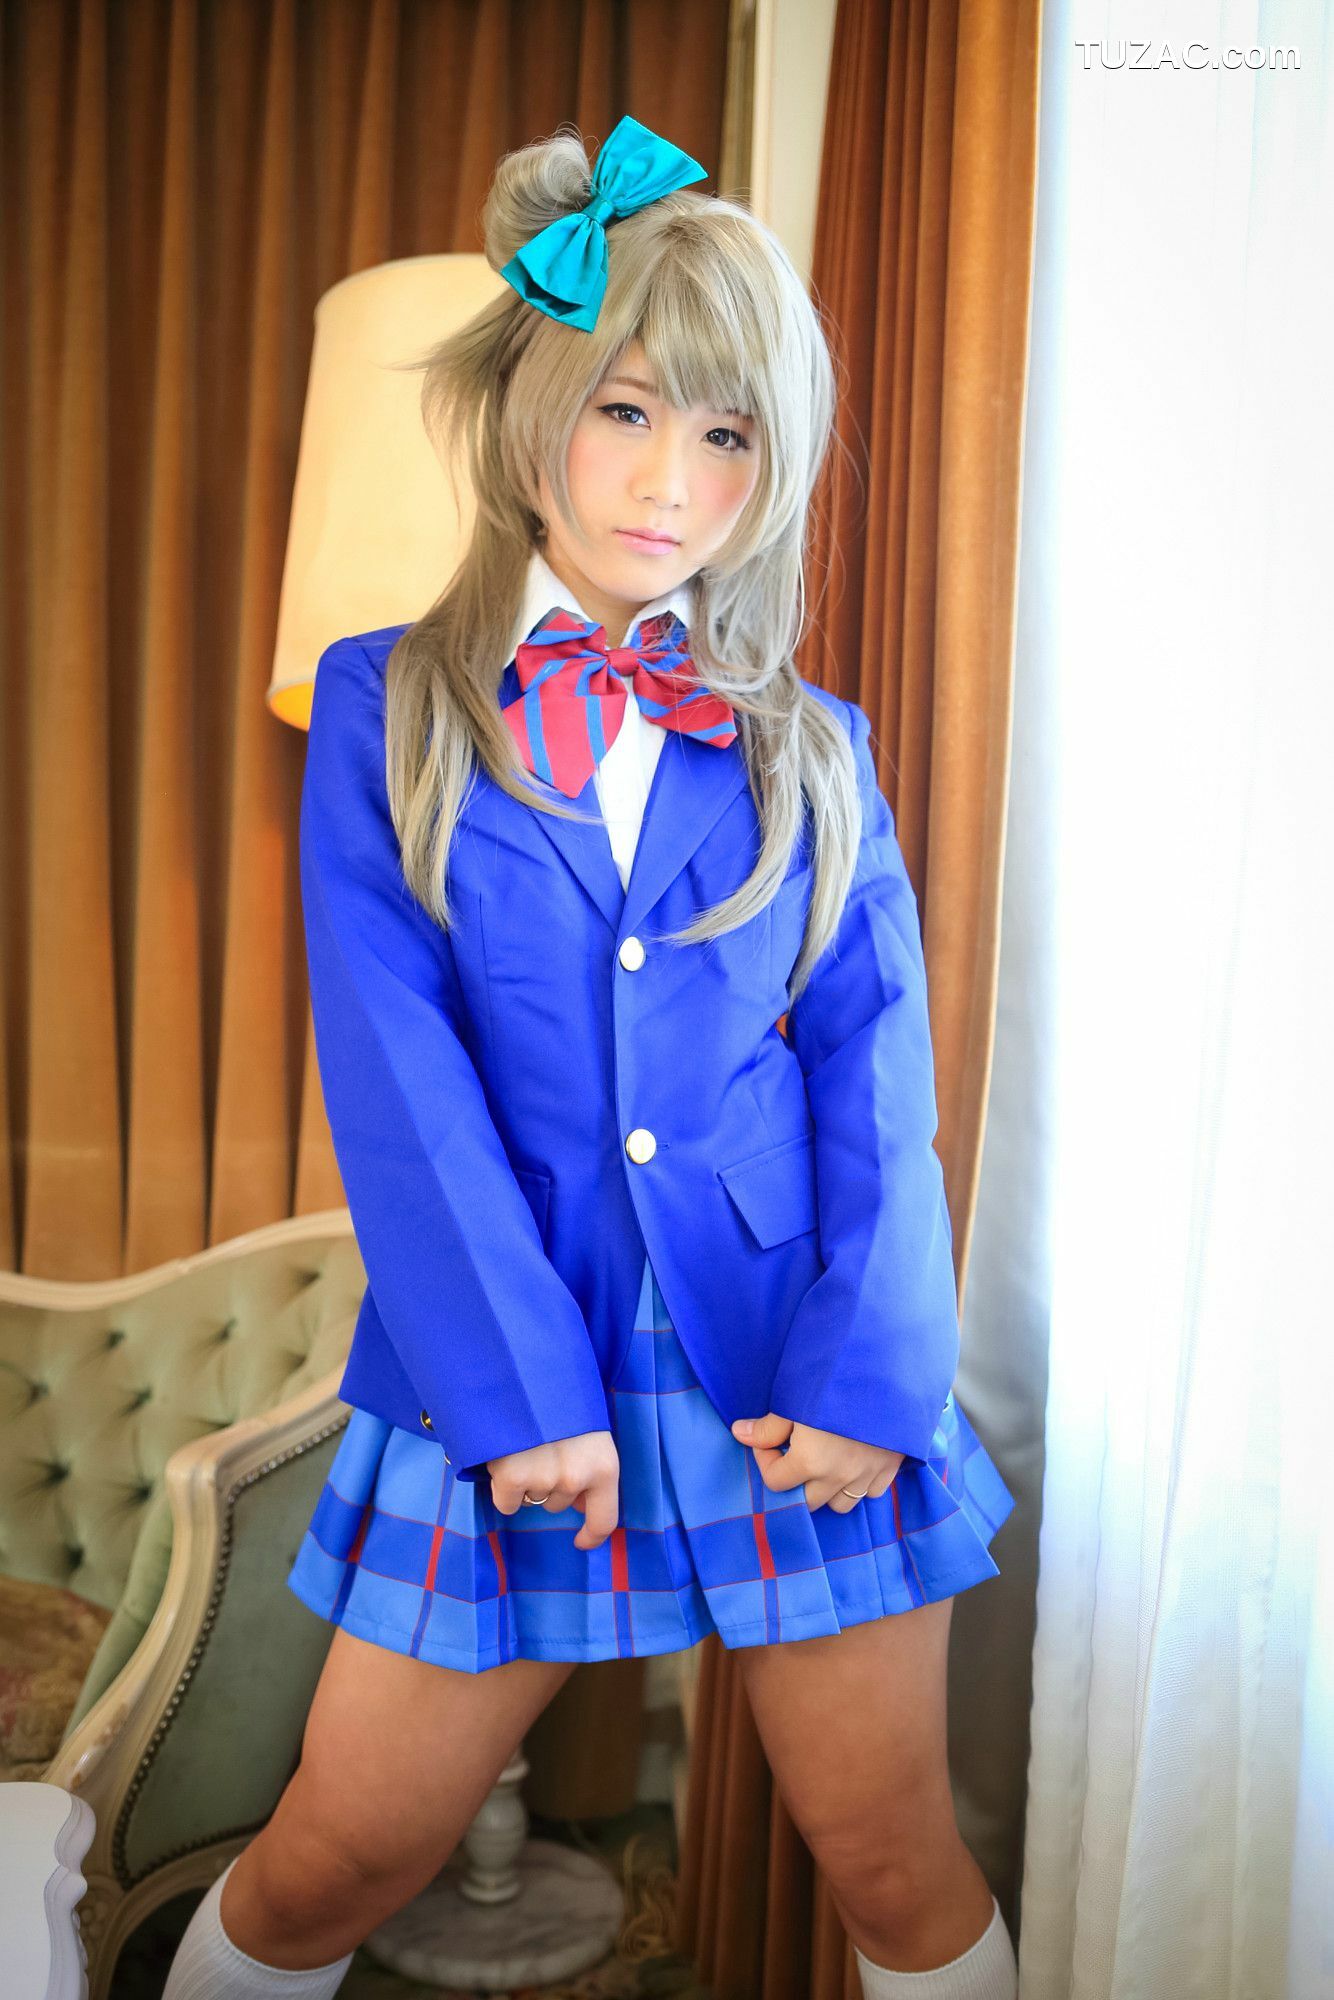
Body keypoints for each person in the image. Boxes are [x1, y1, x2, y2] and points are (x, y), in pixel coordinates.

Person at [162, 114, 1017, 2000]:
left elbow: (875, 1075)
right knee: (334, 1861)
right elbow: (397, 1073)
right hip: (510, 1347)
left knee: (895, 1867)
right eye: (626, 411)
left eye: (726, 435)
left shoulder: (814, 744)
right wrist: (516, 1390)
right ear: (532, 405)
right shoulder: (388, 701)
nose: (668, 482)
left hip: (790, 1356)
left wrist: (871, 1375)